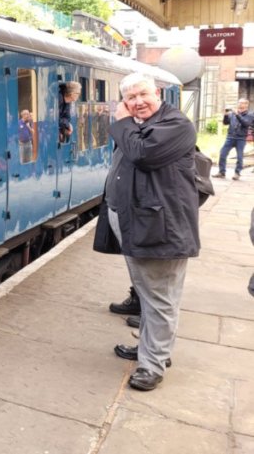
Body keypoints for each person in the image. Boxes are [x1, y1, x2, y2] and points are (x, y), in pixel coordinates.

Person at [97, 72, 199, 391]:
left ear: (157, 92)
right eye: (130, 98)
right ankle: (151, 349)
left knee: (160, 297)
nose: (137, 102)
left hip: (161, 228)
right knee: (148, 292)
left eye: (143, 94)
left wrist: (122, 122)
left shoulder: (177, 124)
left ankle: (152, 364)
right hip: (137, 222)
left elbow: (143, 155)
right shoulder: (141, 123)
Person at [214, 98, 252, 180]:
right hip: (230, 137)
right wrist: (225, 115)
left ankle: (237, 173)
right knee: (223, 154)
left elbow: (246, 123)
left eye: (242, 103)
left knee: (239, 157)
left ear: (246, 104)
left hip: (241, 139)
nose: (240, 104)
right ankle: (221, 172)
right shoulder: (232, 114)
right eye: (239, 103)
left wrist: (237, 114)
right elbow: (225, 123)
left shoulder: (250, 115)